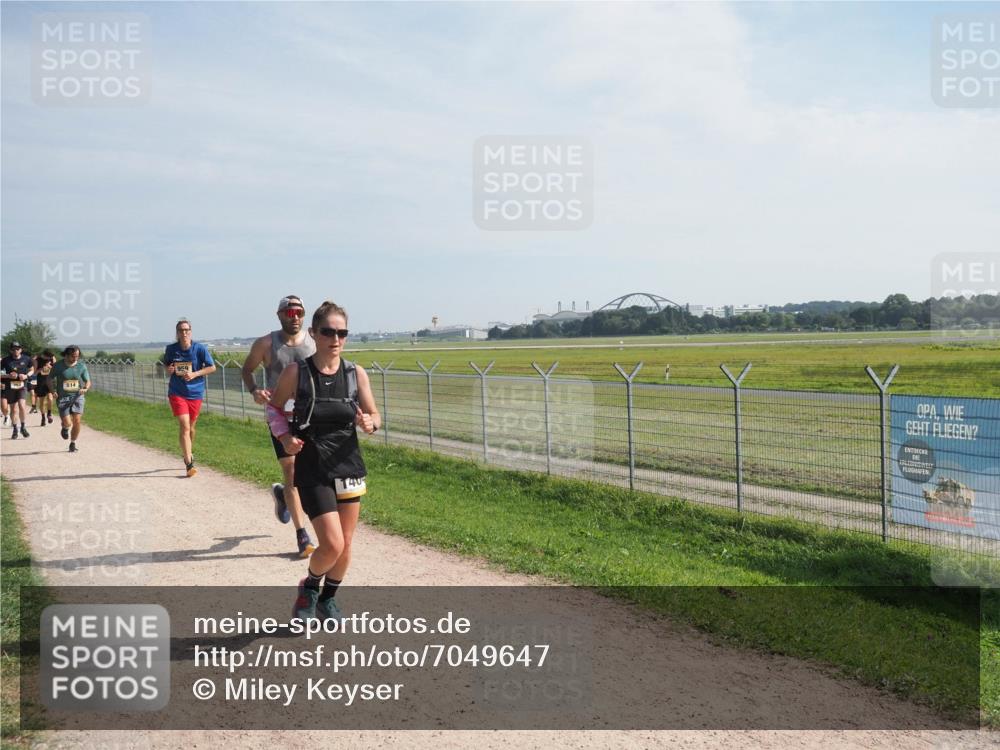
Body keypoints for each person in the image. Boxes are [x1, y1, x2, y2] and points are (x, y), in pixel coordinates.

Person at [267, 301, 379, 621]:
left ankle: (327, 599)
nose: (336, 338)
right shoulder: (297, 373)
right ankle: (310, 588)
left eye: (342, 332)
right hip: (313, 465)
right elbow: (274, 409)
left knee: (346, 546)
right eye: (328, 331)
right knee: (331, 543)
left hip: (348, 464)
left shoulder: (355, 374)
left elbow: (375, 414)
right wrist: (285, 438)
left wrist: (371, 423)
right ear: (314, 334)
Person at [242, 295, 317, 558]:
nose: (294, 316)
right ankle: (302, 536)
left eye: (298, 312)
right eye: (289, 312)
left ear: (304, 315)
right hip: (280, 418)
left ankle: (284, 497)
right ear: (279, 315)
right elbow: (247, 369)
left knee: (312, 474)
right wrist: (255, 391)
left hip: (309, 418)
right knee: (292, 471)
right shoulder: (266, 343)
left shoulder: (314, 341)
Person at [164, 319, 216, 477]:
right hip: (177, 392)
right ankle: (189, 463)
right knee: (184, 426)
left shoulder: (200, 349)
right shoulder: (171, 349)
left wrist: (194, 374)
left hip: (195, 393)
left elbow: (212, 367)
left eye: (186, 330)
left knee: (191, 428)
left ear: (190, 331)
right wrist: (170, 369)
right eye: (181, 330)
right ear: (177, 333)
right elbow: (166, 366)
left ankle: (188, 451)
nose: (184, 333)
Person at [51, 345, 91, 453]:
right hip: (63, 398)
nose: (75, 358)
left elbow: (88, 381)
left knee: (77, 421)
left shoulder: (81, 366)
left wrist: (85, 388)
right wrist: (53, 390)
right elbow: (49, 379)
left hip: (78, 396)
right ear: (67, 355)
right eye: (73, 356)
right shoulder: (58, 366)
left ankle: (73, 443)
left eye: (77, 356)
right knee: (68, 423)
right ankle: (65, 427)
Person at [1, 341, 34, 439]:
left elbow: (32, 370)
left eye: (18, 349)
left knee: (22, 406)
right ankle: (15, 429)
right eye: (13, 349)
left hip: (22, 386)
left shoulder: (27, 359)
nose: (16, 351)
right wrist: (8, 375)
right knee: (14, 409)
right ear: (11, 350)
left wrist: (26, 375)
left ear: (21, 349)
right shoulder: (5, 360)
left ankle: (23, 427)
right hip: (10, 386)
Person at [33, 350, 57, 427]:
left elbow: (55, 369)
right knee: (42, 402)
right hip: (40, 382)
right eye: (49, 357)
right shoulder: (37, 360)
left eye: (51, 358)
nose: (50, 359)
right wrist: (40, 369)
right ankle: (43, 417)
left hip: (49, 382)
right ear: (45, 355)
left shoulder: (52, 358)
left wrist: (50, 366)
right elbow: (34, 373)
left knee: (50, 399)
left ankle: (49, 414)